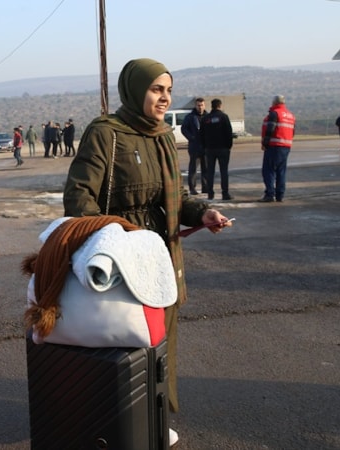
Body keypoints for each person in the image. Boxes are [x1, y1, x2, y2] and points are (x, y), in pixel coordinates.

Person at [62, 59, 232, 437]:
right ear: (136, 90)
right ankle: (115, 427)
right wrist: (111, 241)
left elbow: (177, 197)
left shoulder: (164, 136)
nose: (164, 98)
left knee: (160, 344)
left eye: (168, 90)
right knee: (123, 344)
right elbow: (79, 196)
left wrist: (203, 213)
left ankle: (154, 421)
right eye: (157, 89)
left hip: (163, 259)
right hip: (122, 259)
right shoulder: (107, 134)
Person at [259, 95, 296, 202]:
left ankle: (270, 194)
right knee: (281, 171)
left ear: (274, 103)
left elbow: (270, 129)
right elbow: (293, 131)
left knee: (268, 170)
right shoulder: (290, 115)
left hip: (274, 146)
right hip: (286, 146)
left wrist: (265, 143)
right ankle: (280, 195)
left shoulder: (274, 114)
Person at [200, 98, 234, 200]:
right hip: (223, 148)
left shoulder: (206, 119)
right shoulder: (223, 117)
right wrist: (228, 146)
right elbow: (229, 133)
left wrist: (205, 146)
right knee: (224, 171)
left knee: (210, 171)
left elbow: (201, 134)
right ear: (220, 106)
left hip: (210, 149)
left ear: (212, 106)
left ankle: (210, 193)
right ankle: (225, 193)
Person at [181, 97, 208, 195]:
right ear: (195, 106)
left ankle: (205, 187)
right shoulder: (190, 117)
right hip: (194, 147)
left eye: (201, 105)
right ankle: (192, 188)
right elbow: (184, 129)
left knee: (206, 168)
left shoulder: (207, 117)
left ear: (204, 105)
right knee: (193, 169)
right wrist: (191, 137)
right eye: (198, 105)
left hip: (205, 147)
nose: (200, 107)